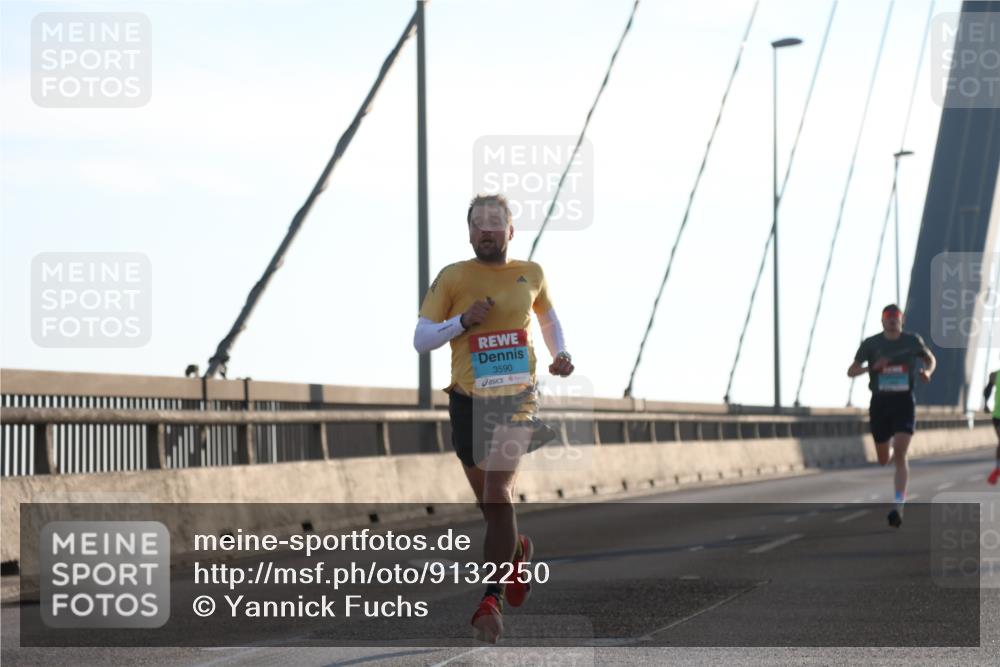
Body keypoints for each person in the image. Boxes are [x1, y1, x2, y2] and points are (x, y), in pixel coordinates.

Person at [413, 193, 574, 643]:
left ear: (509, 231)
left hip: (517, 400)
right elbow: (421, 339)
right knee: (490, 506)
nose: (486, 230)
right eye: (478, 224)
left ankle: (491, 598)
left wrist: (559, 353)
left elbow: (548, 320)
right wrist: (462, 322)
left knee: (499, 493)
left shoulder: (532, 274)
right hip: (468, 400)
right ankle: (518, 551)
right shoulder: (453, 277)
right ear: (469, 233)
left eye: (494, 222)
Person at [847, 304, 936, 528]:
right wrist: (872, 368)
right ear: (882, 321)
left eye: (896, 317)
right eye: (888, 317)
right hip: (880, 402)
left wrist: (927, 371)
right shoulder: (871, 343)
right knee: (883, 458)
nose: (892, 320)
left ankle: (898, 506)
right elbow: (851, 371)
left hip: (904, 400)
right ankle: (892, 452)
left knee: (901, 453)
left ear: (902, 320)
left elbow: (929, 359)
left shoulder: (912, 341)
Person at [980, 367, 1000, 485]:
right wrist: (986, 403)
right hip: (998, 415)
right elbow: (987, 390)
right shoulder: (995, 375)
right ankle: (997, 468)